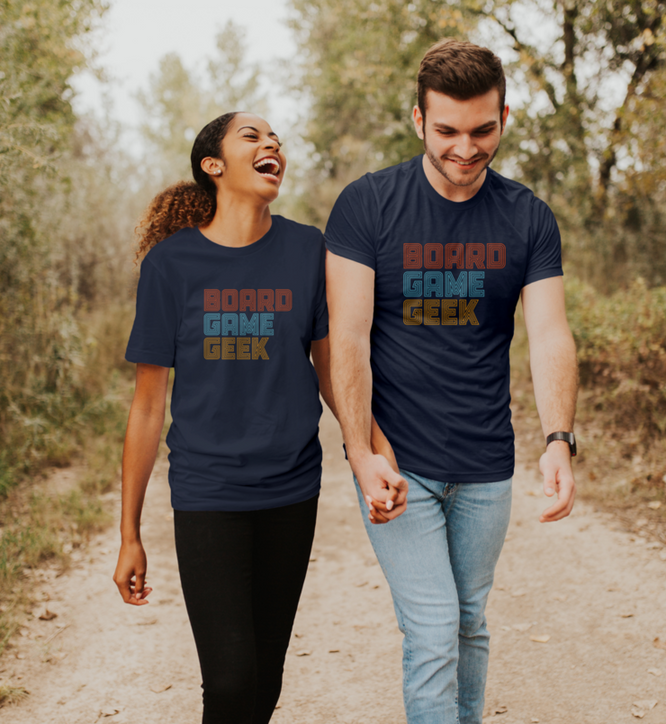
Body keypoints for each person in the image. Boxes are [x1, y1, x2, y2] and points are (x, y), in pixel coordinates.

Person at [112, 111, 397, 724]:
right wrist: (130, 534)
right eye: (252, 136)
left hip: (291, 489)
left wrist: (369, 451)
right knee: (231, 676)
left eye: (277, 140)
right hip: (207, 490)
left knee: (265, 677)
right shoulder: (170, 266)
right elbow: (146, 407)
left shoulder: (306, 250)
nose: (271, 144)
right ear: (213, 165)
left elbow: (333, 372)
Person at [324, 39, 578, 724]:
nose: (465, 148)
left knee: (468, 621)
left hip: (487, 467)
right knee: (435, 628)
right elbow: (344, 340)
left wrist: (559, 439)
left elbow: (550, 333)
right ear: (417, 120)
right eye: (447, 131)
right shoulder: (367, 206)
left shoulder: (528, 217)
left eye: (482, 130)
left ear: (503, 119)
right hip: (398, 463)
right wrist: (360, 451)